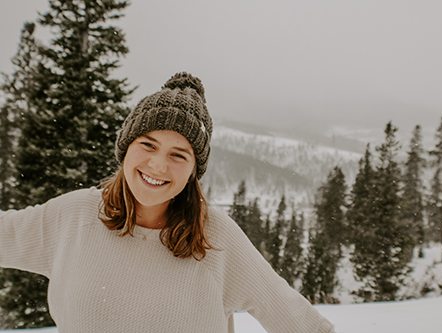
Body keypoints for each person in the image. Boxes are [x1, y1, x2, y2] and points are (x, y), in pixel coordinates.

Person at [0, 72, 336, 332]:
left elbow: (295, 319)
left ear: (193, 172)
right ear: (126, 148)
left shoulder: (215, 237)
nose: (158, 165)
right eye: (148, 145)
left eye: (178, 155)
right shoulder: (73, 216)